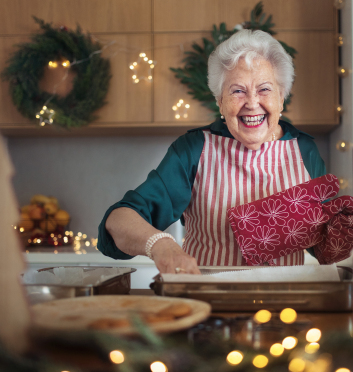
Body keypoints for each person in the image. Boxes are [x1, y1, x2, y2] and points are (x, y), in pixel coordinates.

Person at [98, 29, 326, 274]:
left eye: (264, 89)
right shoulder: (194, 149)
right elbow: (118, 221)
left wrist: (337, 235)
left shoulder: (304, 150)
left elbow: (322, 242)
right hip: (208, 301)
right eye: (237, 90)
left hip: (285, 305)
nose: (251, 103)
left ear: (281, 98)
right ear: (220, 101)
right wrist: (160, 244)